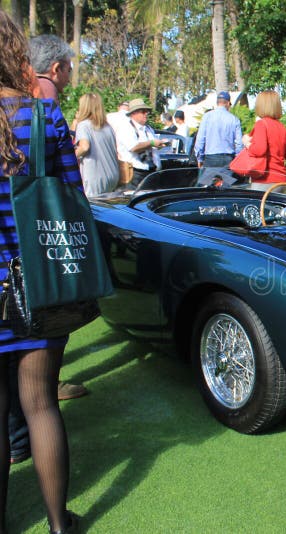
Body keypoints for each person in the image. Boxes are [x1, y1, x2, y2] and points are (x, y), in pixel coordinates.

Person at [0, 11, 80, 533]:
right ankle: (58, 525)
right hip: (39, 279)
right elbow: (73, 198)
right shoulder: (43, 116)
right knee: (40, 404)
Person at [241, 90, 286, 190]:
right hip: (281, 181)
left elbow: (259, 149)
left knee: (253, 205)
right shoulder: (282, 128)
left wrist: (247, 143)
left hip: (264, 179)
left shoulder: (261, 124)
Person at [74, 93, 119, 196]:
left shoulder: (84, 125)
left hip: (94, 178)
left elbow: (84, 147)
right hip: (112, 176)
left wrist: (69, 157)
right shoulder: (108, 127)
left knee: (92, 209)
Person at [117, 98, 168, 188]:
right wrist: (152, 143)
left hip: (152, 173)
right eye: (143, 111)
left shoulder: (148, 129)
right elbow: (134, 147)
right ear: (133, 113)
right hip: (135, 174)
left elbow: (153, 145)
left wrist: (159, 144)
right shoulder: (126, 128)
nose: (146, 114)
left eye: (147, 111)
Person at [194, 91, 242, 172]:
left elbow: (200, 139)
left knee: (207, 183)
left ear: (217, 102)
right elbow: (239, 143)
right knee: (226, 183)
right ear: (228, 103)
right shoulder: (234, 119)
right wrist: (238, 158)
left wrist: (200, 158)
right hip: (228, 158)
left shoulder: (207, 117)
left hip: (210, 158)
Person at [29, 34, 73, 105]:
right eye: (68, 71)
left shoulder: (18, 90)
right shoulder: (47, 89)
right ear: (56, 69)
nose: (69, 80)